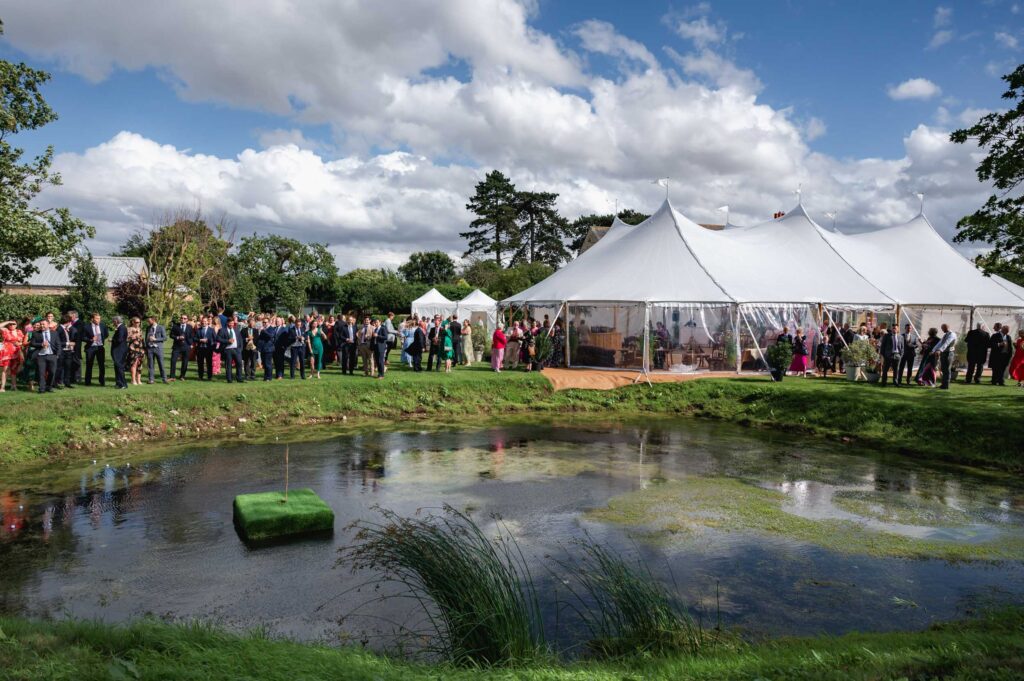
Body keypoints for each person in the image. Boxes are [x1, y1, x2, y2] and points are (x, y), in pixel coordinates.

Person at [30, 319, 57, 393]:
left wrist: (57, 354)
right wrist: (41, 344)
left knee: (52, 372)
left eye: (43, 324)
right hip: (41, 356)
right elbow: (32, 343)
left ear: (48, 325)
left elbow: (58, 344)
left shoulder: (54, 333)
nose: (42, 326)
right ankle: (42, 388)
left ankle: (49, 386)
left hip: (52, 355)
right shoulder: (36, 333)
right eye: (41, 324)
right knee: (41, 373)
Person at [82, 312, 108, 387]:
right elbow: (83, 337)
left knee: (101, 365)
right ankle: (88, 381)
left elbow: (106, 334)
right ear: (92, 319)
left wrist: (101, 340)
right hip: (90, 348)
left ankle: (102, 381)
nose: (98, 320)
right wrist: (91, 339)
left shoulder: (102, 326)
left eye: (99, 318)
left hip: (100, 347)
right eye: (97, 318)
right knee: (89, 365)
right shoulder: (86, 327)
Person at [932, 323, 958, 390]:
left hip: (949, 353)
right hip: (944, 353)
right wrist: (933, 350)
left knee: (947, 369)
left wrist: (940, 350)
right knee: (943, 369)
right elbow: (940, 343)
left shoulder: (952, 334)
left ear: (947, 328)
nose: (942, 330)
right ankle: (943, 384)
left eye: (943, 329)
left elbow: (947, 343)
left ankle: (946, 385)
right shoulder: (946, 334)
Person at [218, 318, 244, 383]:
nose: (231, 324)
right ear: (227, 323)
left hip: (237, 350)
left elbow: (240, 339)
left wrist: (240, 349)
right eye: (230, 323)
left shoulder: (236, 330)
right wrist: (227, 341)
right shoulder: (222, 330)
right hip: (228, 350)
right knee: (228, 365)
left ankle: (239, 378)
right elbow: (218, 338)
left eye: (232, 323)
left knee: (239, 364)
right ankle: (229, 379)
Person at [145, 314, 168, 384]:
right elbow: (146, 338)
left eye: (149, 320)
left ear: (153, 320)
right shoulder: (148, 328)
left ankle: (164, 379)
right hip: (150, 349)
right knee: (150, 365)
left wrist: (155, 339)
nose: (148, 322)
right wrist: (146, 346)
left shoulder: (161, 327)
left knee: (161, 364)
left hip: (158, 348)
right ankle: (151, 379)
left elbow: (165, 338)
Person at [169, 314, 193, 381]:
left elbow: (191, 337)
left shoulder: (190, 327)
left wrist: (190, 344)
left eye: (185, 318)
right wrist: (177, 337)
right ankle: (172, 376)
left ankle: (182, 376)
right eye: (182, 318)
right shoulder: (175, 326)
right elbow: (171, 335)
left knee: (185, 362)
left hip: (186, 346)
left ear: (187, 319)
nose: (183, 319)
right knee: (173, 361)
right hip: (177, 346)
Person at [58, 315, 77, 389]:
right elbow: (58, 342)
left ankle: (67, 382)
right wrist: (68, 343)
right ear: (68, 322)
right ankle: (58, 382)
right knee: (59, 367)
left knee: (68, 367)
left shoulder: (66, 329)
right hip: (62, 351)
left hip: (68, 351)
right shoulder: (59, 329)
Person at [110, 316, 129, 389]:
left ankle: (123, 384)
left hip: (119, 351)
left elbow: (120, 339)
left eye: (113, 321)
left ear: (116, 321)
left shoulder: (121, 328)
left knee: (119, 367)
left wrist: (112, 340)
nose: (113, 323)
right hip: (119, 350)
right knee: (117, 366)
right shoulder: (121, 327)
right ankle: (118, 383)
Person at [126, 317, 145, 385]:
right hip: (133, 348)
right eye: (137, 322)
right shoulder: (129, 329)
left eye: (139, 322)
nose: (138, 324)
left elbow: (141, 339)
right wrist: (133, 336)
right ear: (133, 322)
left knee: (139, 364)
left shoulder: (140, 329)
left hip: (140, 348)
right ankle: (133, 380)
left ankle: (139, 380)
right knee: (134, 363)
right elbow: (126, 339)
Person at [257, 317, 278, 381]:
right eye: (263, 322)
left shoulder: (271, 328)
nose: (264, 323)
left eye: (265, 322)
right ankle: (266, 377)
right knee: (264, 364)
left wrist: (263, 331)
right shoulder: (263, 329)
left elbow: (271, 336)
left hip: (269, 349)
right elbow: (260, 339)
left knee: (268, 364)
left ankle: (269, 377)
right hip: (263, 349)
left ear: (269, 322)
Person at [195, 316, 215, 381]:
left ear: (208, 322)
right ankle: (200, 376)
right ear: (201, 322)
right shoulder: (198, 329)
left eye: (205, 321)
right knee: (200, 363)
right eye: (203, 321)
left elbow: (215, 339)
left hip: (208, 349)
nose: (204, 322)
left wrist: (209, 341)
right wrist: (200, 340)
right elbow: (194, 338)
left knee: (209, 363)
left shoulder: (211, 330)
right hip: (200, 349)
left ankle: (209, 377)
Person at [289, 315, 307, 380]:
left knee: (302, 361)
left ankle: (303, 375)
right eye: (297, 324)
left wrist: (303, 338)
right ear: (295, 324)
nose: (299, 325)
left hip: (301, 347)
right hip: (294, 347)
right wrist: (296, 337)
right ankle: (292, 376)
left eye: (300, 324)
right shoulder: (291, 330)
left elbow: (305, 335)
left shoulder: (303, 329)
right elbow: (289, 338)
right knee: (293, 361)